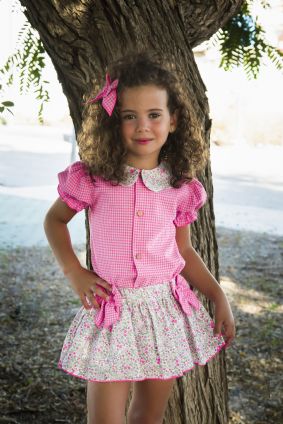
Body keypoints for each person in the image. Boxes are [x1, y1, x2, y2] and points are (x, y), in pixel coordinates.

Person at [44, 51, 235, 424]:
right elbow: (54, 221)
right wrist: (74, 271)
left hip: (164, 313)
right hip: (112, 312)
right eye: (130, 116)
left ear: (173, 120)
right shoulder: (93, 178)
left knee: (148, 415)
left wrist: (218, 295)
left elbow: (183, 250)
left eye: (154, 115)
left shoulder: (180, 187)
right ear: (115, 121)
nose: (142, 126)